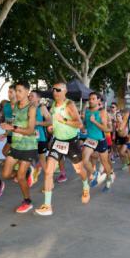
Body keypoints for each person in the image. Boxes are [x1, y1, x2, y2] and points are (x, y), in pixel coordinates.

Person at [34, 83, 88, 216]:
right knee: (48, 171)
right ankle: (47, 205)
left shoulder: (69, 104)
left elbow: (79, 124)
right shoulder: (53, 105)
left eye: (58, 90)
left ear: (65, 91)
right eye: (53, 89)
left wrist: (63, 120)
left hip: (71, 142)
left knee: (79, 170)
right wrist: (52, 127)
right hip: (57, 141)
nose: (55, 92)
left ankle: (86, 185)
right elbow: (54, 122)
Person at [1, 81, 38, 213]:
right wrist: (6, 131)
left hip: (28, 146)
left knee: (20, 177)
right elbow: (14, 122)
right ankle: (28, 172)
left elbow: (30, 130)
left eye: (20, 91)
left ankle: (27, 201)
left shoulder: (32, 108)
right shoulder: (15, 106)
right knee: (5, 174)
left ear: (27, 92)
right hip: (15, 145)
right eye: (16, 90)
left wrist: (12, 128)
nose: (17, 93)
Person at [82, 92, 114, 192]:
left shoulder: (102, 112)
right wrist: (82, 127)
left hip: (100, 140)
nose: (91, 101)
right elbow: (85, 125)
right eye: (89, 99)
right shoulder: (87, 111)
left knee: (105, 162)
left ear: (98, 100)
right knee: (84, 159)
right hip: (90, 139)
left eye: (93, 99)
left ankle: (108, 179)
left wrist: (95, 121)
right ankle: (95, 174)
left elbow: (106, 129)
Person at [29, 90, 52, 181]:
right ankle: (34, 172)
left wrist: (38, 122)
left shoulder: (42, 108)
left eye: (32, 96)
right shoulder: (28, 108)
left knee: (42, 160)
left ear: (38, 98)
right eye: (29, 96)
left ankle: (49, 181)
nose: (30, 97)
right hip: (29, 138)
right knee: (28, 158)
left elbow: (50, 121)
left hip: (40, 138)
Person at [1, 85, 16, 158]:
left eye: (11, 92)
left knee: (5, 152)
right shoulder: (6, 105)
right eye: (8, 92)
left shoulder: (21, 105)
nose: (8, 94)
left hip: (18, 134)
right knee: (6, 152)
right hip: (10, 133)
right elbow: (7, 120)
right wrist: (5, 133)